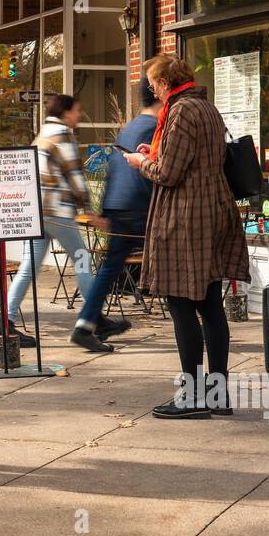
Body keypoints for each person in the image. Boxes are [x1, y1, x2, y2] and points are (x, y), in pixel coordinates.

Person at [123, 55, 251, 418]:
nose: (153, 90)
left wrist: (140, 162)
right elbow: (194, 158)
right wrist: (156, 151)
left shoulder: (180, 112)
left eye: (154, 84)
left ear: (164, 83)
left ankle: (193, 397)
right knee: (209, 304)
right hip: (214, 210)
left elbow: (169, 173)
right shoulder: (206, 107)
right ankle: (217, 395)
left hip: (187, 217)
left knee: (180, 302)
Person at [5, 94, 99, 350]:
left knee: (28, 268)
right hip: (58, 212)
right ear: (66, 112)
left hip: (38, 213)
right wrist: (89, 208)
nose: (78, 115)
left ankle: (7, 322)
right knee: (82, 259)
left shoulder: (42, 134)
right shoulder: (63, 135)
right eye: (77, 110)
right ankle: (92, 319)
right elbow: (74, 173)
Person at [71, 87, 162, 348]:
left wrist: (107, 207)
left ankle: (86, 324)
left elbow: (115, 166)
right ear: (159, 95)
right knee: (175, 258)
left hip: (119, 204)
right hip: (140, 205)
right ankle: (193, 326)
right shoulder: (155, 127)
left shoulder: (130, 127)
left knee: (110, 268)